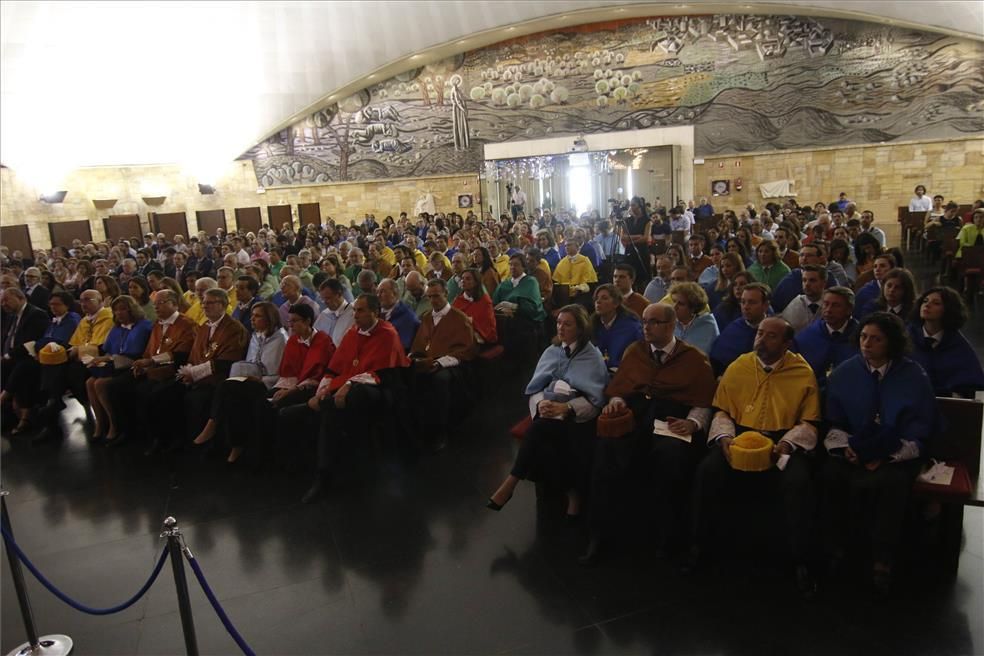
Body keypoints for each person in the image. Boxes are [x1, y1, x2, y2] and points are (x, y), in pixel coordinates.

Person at [691, 317, 821, 597]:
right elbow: (722, 410)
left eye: (771, 336)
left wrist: (787, 445)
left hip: (782, 440)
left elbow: (809, 422)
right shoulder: (739, 366)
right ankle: (700, 545)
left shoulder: (802, 371)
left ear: (786, 343)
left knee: (797, 482)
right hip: (739, 436)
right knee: (708, 471)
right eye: (760, 333)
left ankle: (800, 560)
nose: (761, 339)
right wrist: (724, 438)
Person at [581, 302, 717, 565]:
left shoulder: (693, 358)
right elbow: (621, 386)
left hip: (671, 419)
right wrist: (617, 400)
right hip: (637, 417)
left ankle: (668, 537)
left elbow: (702, 401)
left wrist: (693, 424)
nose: (646, 327)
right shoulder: (636, 351)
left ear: (671, 325)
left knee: (671, 456)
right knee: (606, 450)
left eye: (654, 322)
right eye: (644, 321)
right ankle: (600, 534)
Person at [822, 312, 939, 594]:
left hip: (896, 453)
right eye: (863, 337)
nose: (867, 344)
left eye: (876, 339)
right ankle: (837, 546)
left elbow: (921, 429)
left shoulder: (912, 375)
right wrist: (847, 448)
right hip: (852, 449)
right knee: (830, 474)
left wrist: (885, 456)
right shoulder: (845, 372)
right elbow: (833, 422)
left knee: (893, 482)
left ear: (892, 343)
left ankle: (882, 558)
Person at [487, 305, 608, 518]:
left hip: (578, 417)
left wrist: (568, 407)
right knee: (545, 426)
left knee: (544, 430)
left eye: (567, 324)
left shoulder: (592, 355)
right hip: (550, 413)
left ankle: (511, 481)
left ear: (580, 328)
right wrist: (541, 404)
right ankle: (572, 493)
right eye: (559, 322)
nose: (560, 328)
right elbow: (536, 388)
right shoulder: (552, 351)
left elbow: (594, 401)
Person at [302, 294, 410, 502]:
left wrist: (349, 384)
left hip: (381, 388)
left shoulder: (387, 333)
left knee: (351, 399)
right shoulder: (352, 333)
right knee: (323, 406)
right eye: (355, 310)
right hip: (347, 387)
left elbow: (384, 371)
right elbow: (335, 366)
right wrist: (322, 390)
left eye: (360, 310)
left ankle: (327, 473)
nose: (355, 315)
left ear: (374, 312)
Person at [191, 302, 288, 463]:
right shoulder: (256, 336)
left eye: (257, 316)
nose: (252, 319)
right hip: (250, 379)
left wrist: (257, 377)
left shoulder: (280, 339)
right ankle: (236, 446)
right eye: (252, 315)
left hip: (267, 382)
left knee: (225, 387)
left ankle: (213, 423)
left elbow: (275, 371)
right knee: (230, 398)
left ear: (269, 318)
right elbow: (250, 362)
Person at [409, 279, 477, 451]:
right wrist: (414, 357)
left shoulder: (459, 318)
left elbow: (466, 350)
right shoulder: (426, 317)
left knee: (440, 380)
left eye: (437, 296)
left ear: (446, 294)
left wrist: (440, 362)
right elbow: (419, 346)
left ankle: (442, 431)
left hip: (453, 366)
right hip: (428, 361)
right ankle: (417, 428)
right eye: (429, 297)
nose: (433, 301)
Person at [86, 295, 154, 445]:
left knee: (100, 384)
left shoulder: (144, 326)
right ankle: (100, 422)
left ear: (132, 309)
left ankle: (114, 424)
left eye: (123, 309)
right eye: (116, 310)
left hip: (132, 365)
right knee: (90, 382)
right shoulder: (116, 328)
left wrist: (108, 359)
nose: (119, 313)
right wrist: (101, 359)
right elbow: (108, 350)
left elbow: (135, 352)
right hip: (115, 365)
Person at [907, 287, 984, 398]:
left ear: (948, 310)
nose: (927, 305)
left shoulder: (957, 344)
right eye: (925, 301)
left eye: (936, 303)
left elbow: (969, 385)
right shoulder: (906, 338)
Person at [1, 288, 54, 434]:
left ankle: (24, 417)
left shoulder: (36, 314)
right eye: (1, 301)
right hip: (14, 357)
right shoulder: (11, 316)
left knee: (22, 368)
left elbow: (31, 342)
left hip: (32, 357)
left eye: (7, 300)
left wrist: (7, 356)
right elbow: (6, 338)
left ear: (20, 298)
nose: (3, 304)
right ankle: (8, 413)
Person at [792, 287, 859, 391]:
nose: (828, 310)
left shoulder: (861, 337)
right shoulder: (807, 336)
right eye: (826, 304)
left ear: (849, 310)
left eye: (835, 306)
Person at [709, 282, 771, 376]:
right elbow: (717, 361)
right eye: (743, 302)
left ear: (765, 305)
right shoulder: (733, 328)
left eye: (752, 302)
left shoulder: (775, 330)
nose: (746, 307)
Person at [770, 243, 837, 312]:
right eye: (801, 255)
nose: (804, 259)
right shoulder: (792, 276)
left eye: (809, 256)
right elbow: (776, 302)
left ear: (820, 259)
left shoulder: (828, 277)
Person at [590, 284, 643, 371]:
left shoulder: (632, 327)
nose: (598, 301)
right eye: (596, 298)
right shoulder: (592, 325)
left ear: (616, 303)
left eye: (604, 298)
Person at [670, 282, 719, 356]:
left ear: (693, 307)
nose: (674, 307)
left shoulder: (708, 326)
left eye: (681, 304)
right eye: (674, 301)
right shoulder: (668, 323)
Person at [452, 268, 497, 344]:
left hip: (478, 338)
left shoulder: (485, 301)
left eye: (468, 279)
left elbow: (488, 325)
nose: (463, 281)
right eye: (462, 278)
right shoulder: (458, 301)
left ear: (476, 282)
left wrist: (471, 321)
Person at [778, 264, 827, 334]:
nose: (807, 284)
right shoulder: (796, 303)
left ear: (824, 283)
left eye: (812, 280)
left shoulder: (830, 303)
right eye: (804, 280)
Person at [376, 278, 420, 351]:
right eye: (377, 292)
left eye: (382, 291)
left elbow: (402, 347)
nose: (378, 295)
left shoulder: (408, 317)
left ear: (395, 293)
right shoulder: (376, 314)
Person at [853, 253, 896, 319]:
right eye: (875, 266)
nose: (877, 269)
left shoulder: (898, 288)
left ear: (892, 269)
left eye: (882, 266)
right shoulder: (864, 292)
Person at [313, 278, 355, 346]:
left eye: (328, 298)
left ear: (339, 294)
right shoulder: (324, 314)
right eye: (323, 299)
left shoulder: (353, 314)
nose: (325, 302)